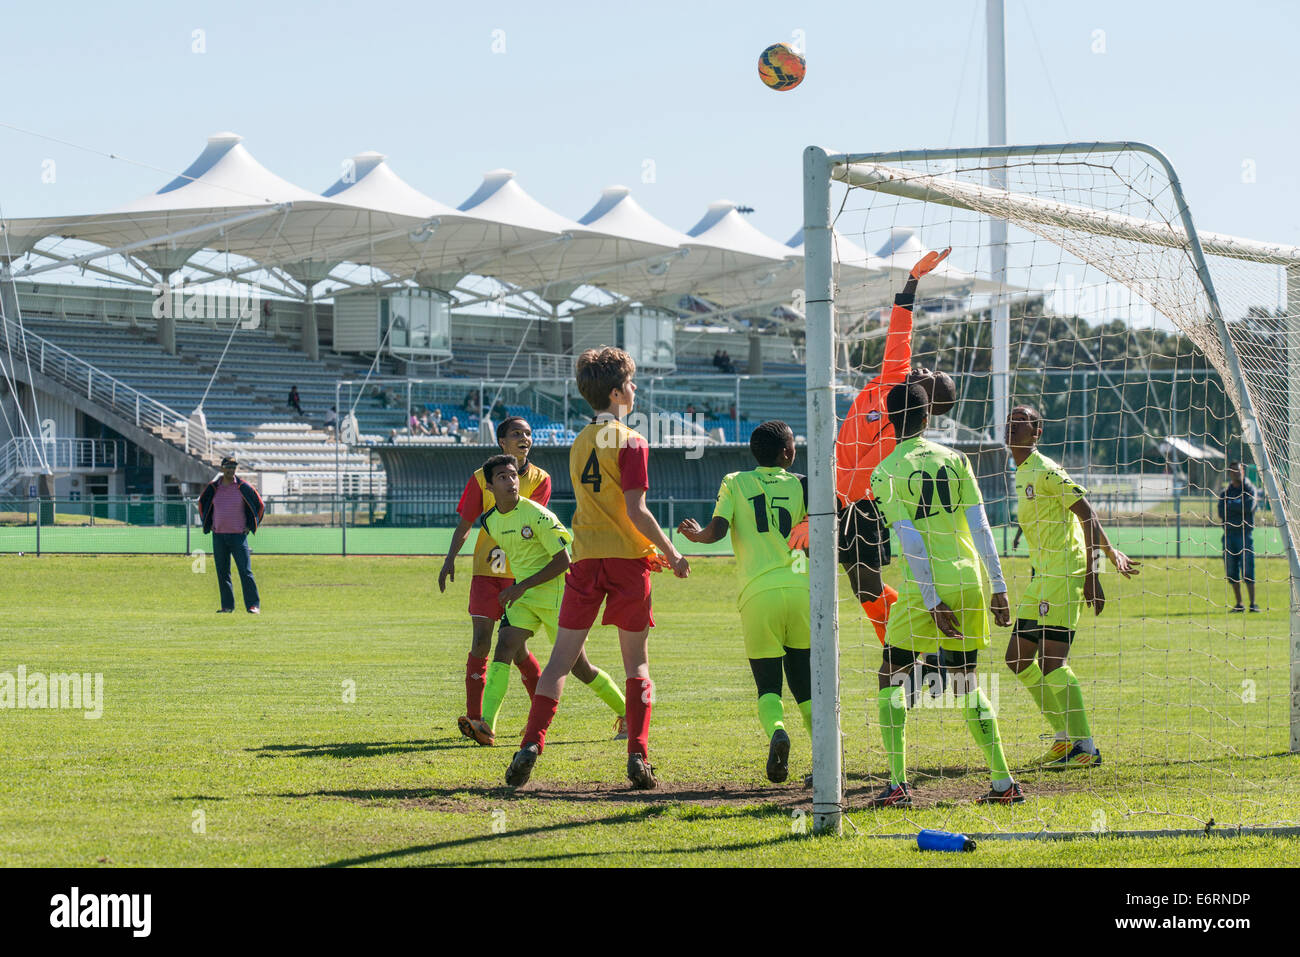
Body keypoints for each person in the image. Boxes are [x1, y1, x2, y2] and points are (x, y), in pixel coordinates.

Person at [505, 346, 690, 790]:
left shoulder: (579, 442)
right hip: (627, 562)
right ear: (615, 392)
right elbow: (636, 509)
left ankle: (530, 744)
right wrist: (671, 551)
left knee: (558, 663)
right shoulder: (631, 440)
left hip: (586, 559)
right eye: (631, 382)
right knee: (637, 666)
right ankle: (638, 756)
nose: (636, 388)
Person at [789, 249, 955, 655]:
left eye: (930, 377)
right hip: (839, 496)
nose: (923, 369)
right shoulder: (894, 375)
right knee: (861, 585)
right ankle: (908, 642)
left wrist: (821, 513)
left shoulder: (901, 437)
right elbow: (901, 328)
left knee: (863, 583)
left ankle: (906, 644)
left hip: (861, 506)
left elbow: (860, 478)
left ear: (927, 402)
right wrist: (914, 278)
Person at [868, 381, 1018, 807]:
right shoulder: (956, 459)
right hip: (970, 579)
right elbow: (983, 527)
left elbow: (912, 542)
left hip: (925, 584)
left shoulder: (886, 471)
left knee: (892, 674)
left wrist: (931, 599)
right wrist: (1000, 586)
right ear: (928, 418)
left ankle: (897, 784)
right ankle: (1004, 784)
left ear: (889, 423)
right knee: (966, 682)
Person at [439, 419, 601, 740]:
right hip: (487, 573)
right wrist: (449, 559)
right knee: (485, 643)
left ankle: (538, 712)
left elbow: (525, 525)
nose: (524, 438)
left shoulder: (540, 480)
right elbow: (466, 523)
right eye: (516, 434)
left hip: (522, 576)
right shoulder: (480, 478)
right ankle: (478, 720)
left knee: (523, 652)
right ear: (502, 442)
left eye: (527, 434)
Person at [1003, 405, 1139, 769]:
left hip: (1066, 572)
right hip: (1042, 574)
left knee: (1051, 661)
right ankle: (1065, 739)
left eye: (1021, 422)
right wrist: (1112, 552)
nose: (1012, 427)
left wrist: (1094, 574)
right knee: (1017, 658)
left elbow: (1087, 514)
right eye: (1010, 421)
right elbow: (1053, 513)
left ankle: (1085, 746)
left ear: (1037, 432)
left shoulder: (1046, 470)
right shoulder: (1021, 473)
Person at [460, 454, 627, 746]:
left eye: (513, 475)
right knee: (505, 647)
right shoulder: (489, 520)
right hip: (524, 595)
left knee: (580, 668)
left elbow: (563, 561)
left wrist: (519, 586)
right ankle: (486, 725)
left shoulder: (537, 515)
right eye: (502, 477)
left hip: (557, 595)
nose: (511, 481)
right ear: (489, 487)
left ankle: (629, 713)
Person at [677, 421, 811, 784]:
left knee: (769, 686)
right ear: (787, 453)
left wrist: (696, 536)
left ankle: (779, 731)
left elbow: (717, 531)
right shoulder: (803, 483)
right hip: (801, 591)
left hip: (757, 594)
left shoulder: (734, 480)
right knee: (805, 683)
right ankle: (825, 761)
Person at [197, 456, 265, 615]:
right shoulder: (213, 488)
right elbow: (201, 503)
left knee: (245, 571)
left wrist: (251, 525)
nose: (231, 470)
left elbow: (260, 505)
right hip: (219, 536)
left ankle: (253, 605)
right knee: (222, 572)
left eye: (233, 467)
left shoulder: (243, 487)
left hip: (238, 537)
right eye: (228, 467)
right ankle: (227, 606)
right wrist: (208, 524)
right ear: (221, 468)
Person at [1219, 461, 1260, 612]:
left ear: (1243, 471)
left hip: (1244, 534)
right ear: (1229, 473)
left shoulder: (1250, 489)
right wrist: (1237, 506)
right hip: (1229, 534)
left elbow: (1249, 507)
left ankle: (1253, 604)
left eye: (1239, 470)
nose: (1236, 473)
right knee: (1231, 571)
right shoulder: (1225, 492)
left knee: (1248, 569)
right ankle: (1239, 604)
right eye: (1233, 471)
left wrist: (1231, 506)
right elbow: (1221, 512)